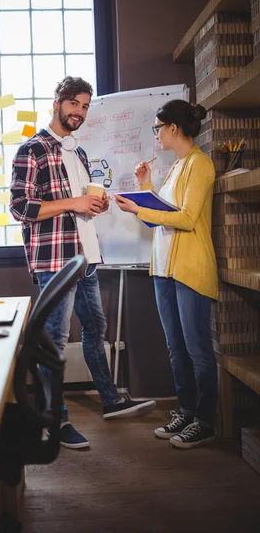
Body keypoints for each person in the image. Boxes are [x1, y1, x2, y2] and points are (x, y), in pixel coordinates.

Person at [10, 76, 156, 450]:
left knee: (96, 330)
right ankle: (55, 421)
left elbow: (79, 205)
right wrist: (74, 203)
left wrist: (95, 203)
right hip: (56, 261)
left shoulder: (79, 153)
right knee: (55, 342)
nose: (80, 112)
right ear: (57, 103)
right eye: (74, 104)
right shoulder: (33, 150)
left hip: (88, 256)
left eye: (86, 106)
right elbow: (20, 208)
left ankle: (110, 400)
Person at [115, 100, 218, 450]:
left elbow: (187, 219)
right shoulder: (176, 167)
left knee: (197, 351)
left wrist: (144, 205)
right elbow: (158, 216)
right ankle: (187, 410)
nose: (156, 134)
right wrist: (144, 188)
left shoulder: (200, 165)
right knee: (176, 349)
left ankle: (205, 421)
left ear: (174, 128)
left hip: (190, 269)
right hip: (163, 268)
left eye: (158, 127)